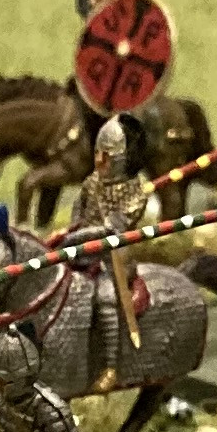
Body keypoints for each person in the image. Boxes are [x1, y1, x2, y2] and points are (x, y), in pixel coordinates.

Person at [65, 114, 157, 388]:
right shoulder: (91, 182)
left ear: (123, 159)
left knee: (105, 298)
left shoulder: (135, 194)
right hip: (78, 249)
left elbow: (111, 231)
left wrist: (77, 238)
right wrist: (70, 235)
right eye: (97, 153)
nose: (99, 161)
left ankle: (110, 368)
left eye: (106, 156)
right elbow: (77, 216)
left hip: (113, 259)